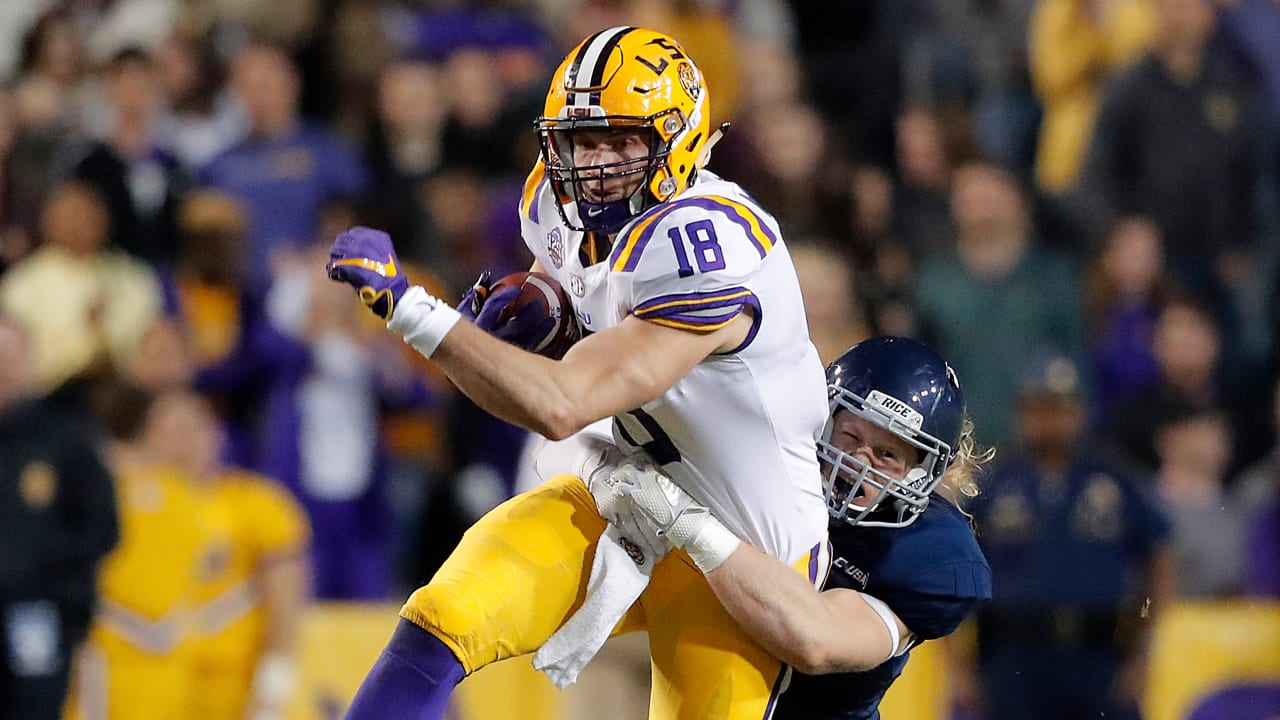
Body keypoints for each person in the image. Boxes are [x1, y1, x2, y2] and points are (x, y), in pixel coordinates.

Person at [325, 26, 830, 720]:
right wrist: (542, 300)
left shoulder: (709, 243)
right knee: (441, 619)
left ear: (678, 140)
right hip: (625, 494)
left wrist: (411, 309)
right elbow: (570, 285)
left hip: (741, 553)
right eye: (584, 141)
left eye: (623, 141)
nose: (597, 163)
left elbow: (565, 401)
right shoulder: (560, 203)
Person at [592, 336, 994, 719]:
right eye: (851, 434)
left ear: (920, 474)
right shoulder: (766, 455)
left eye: (887, 454)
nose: (858, 461)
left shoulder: (931, 555)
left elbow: (815, 641)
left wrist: (689, 523)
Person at [967, 353, 1172, 720]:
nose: (1048, 420)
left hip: (1098, 656)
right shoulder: (993, 482)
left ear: (1079, 411)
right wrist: (962, 666)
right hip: (1012, 656)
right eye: (1038, 408)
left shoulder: (1112, 478)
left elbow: (1158, 552)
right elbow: (959, 568)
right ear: (1021, 412)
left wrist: (1142, 646)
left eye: (1058, 409)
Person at [0, 313, 118, 720]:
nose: (3, 368)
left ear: (30, 362)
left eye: (11, 356)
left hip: (40, 615)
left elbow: (105, 527)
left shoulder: (64, 440)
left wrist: (42, 567)